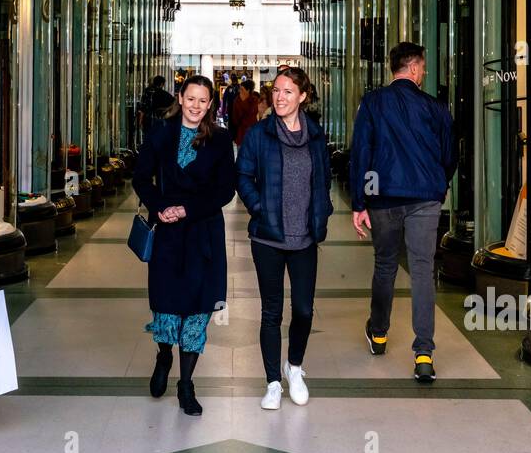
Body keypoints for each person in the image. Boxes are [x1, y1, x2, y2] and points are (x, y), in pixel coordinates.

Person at [348, 41, 457, 382]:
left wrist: (360, 201)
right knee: (422, 270)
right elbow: (450, 154)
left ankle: (378, 333)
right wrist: (439, 185)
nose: (424, 72)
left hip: (383, 197)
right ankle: (423, 353)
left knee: (385, 266)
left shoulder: (373, 103)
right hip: (425, 198)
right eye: (422, 67)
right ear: (412, 68)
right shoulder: (435, 107)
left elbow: (362, 151)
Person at [132, 74, 237, 416]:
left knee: (197, 307)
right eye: (190, 98)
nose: (195, 106)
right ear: (180, 97)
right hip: (168, 231)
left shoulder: (220, 140)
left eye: (202, 100)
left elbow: (225, 191)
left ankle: (187, 384)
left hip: (203, 230)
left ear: (211, 104)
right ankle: (164, 355)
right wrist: (160, 207)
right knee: (166, 303)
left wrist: (187, 208)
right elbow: (140, 177)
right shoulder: (161, 134)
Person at [235, 67, 332, 410]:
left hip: (304, 238)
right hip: (268, 238)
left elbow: (323, 180)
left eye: (288, 91)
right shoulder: (259, 134)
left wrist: (323, 212)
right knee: (271, 312)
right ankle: (273, 382)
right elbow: (243, 175)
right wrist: (259, 207)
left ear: (303, 97)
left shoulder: (316, 136)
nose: (279, 97)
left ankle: (294, 368)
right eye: (276, 91)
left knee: (304, 310)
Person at [230, 78, 260, 147]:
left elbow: (252, 114)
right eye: (239, 89)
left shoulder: (255, 99)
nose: (240, 91)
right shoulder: (237, 100)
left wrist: (244, 102)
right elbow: (235, 119)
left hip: (253, 133)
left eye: (242, 89)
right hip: (241, 133)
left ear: (248, 90)